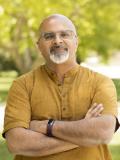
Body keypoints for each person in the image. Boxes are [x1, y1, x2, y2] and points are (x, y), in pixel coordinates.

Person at [2, 14, 119, 160]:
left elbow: (103, 133)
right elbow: (16, 143)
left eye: (64, 34)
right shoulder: (22, 85)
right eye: (49, 36)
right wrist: (84, 133)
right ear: (39, 46)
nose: (57, 41)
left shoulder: (101, 83)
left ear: (76, 41)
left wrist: (47, 126)